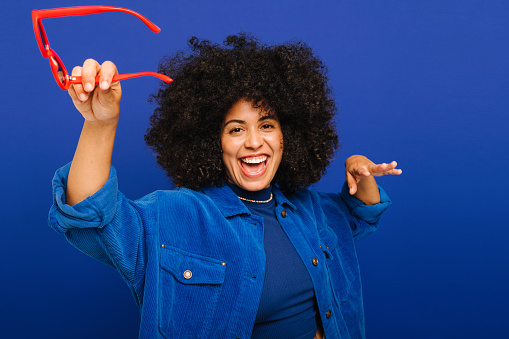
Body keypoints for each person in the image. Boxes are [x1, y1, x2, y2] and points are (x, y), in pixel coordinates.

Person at [49, 34, 401, 339]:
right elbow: (88, 216)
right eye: (236, 129)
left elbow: (361, 214)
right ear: (211, 141)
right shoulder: (175, 216)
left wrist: (363, 175)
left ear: (287, 135)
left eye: (266, 125)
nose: (253, 142)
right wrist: (100, 124)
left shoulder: (311, 210)